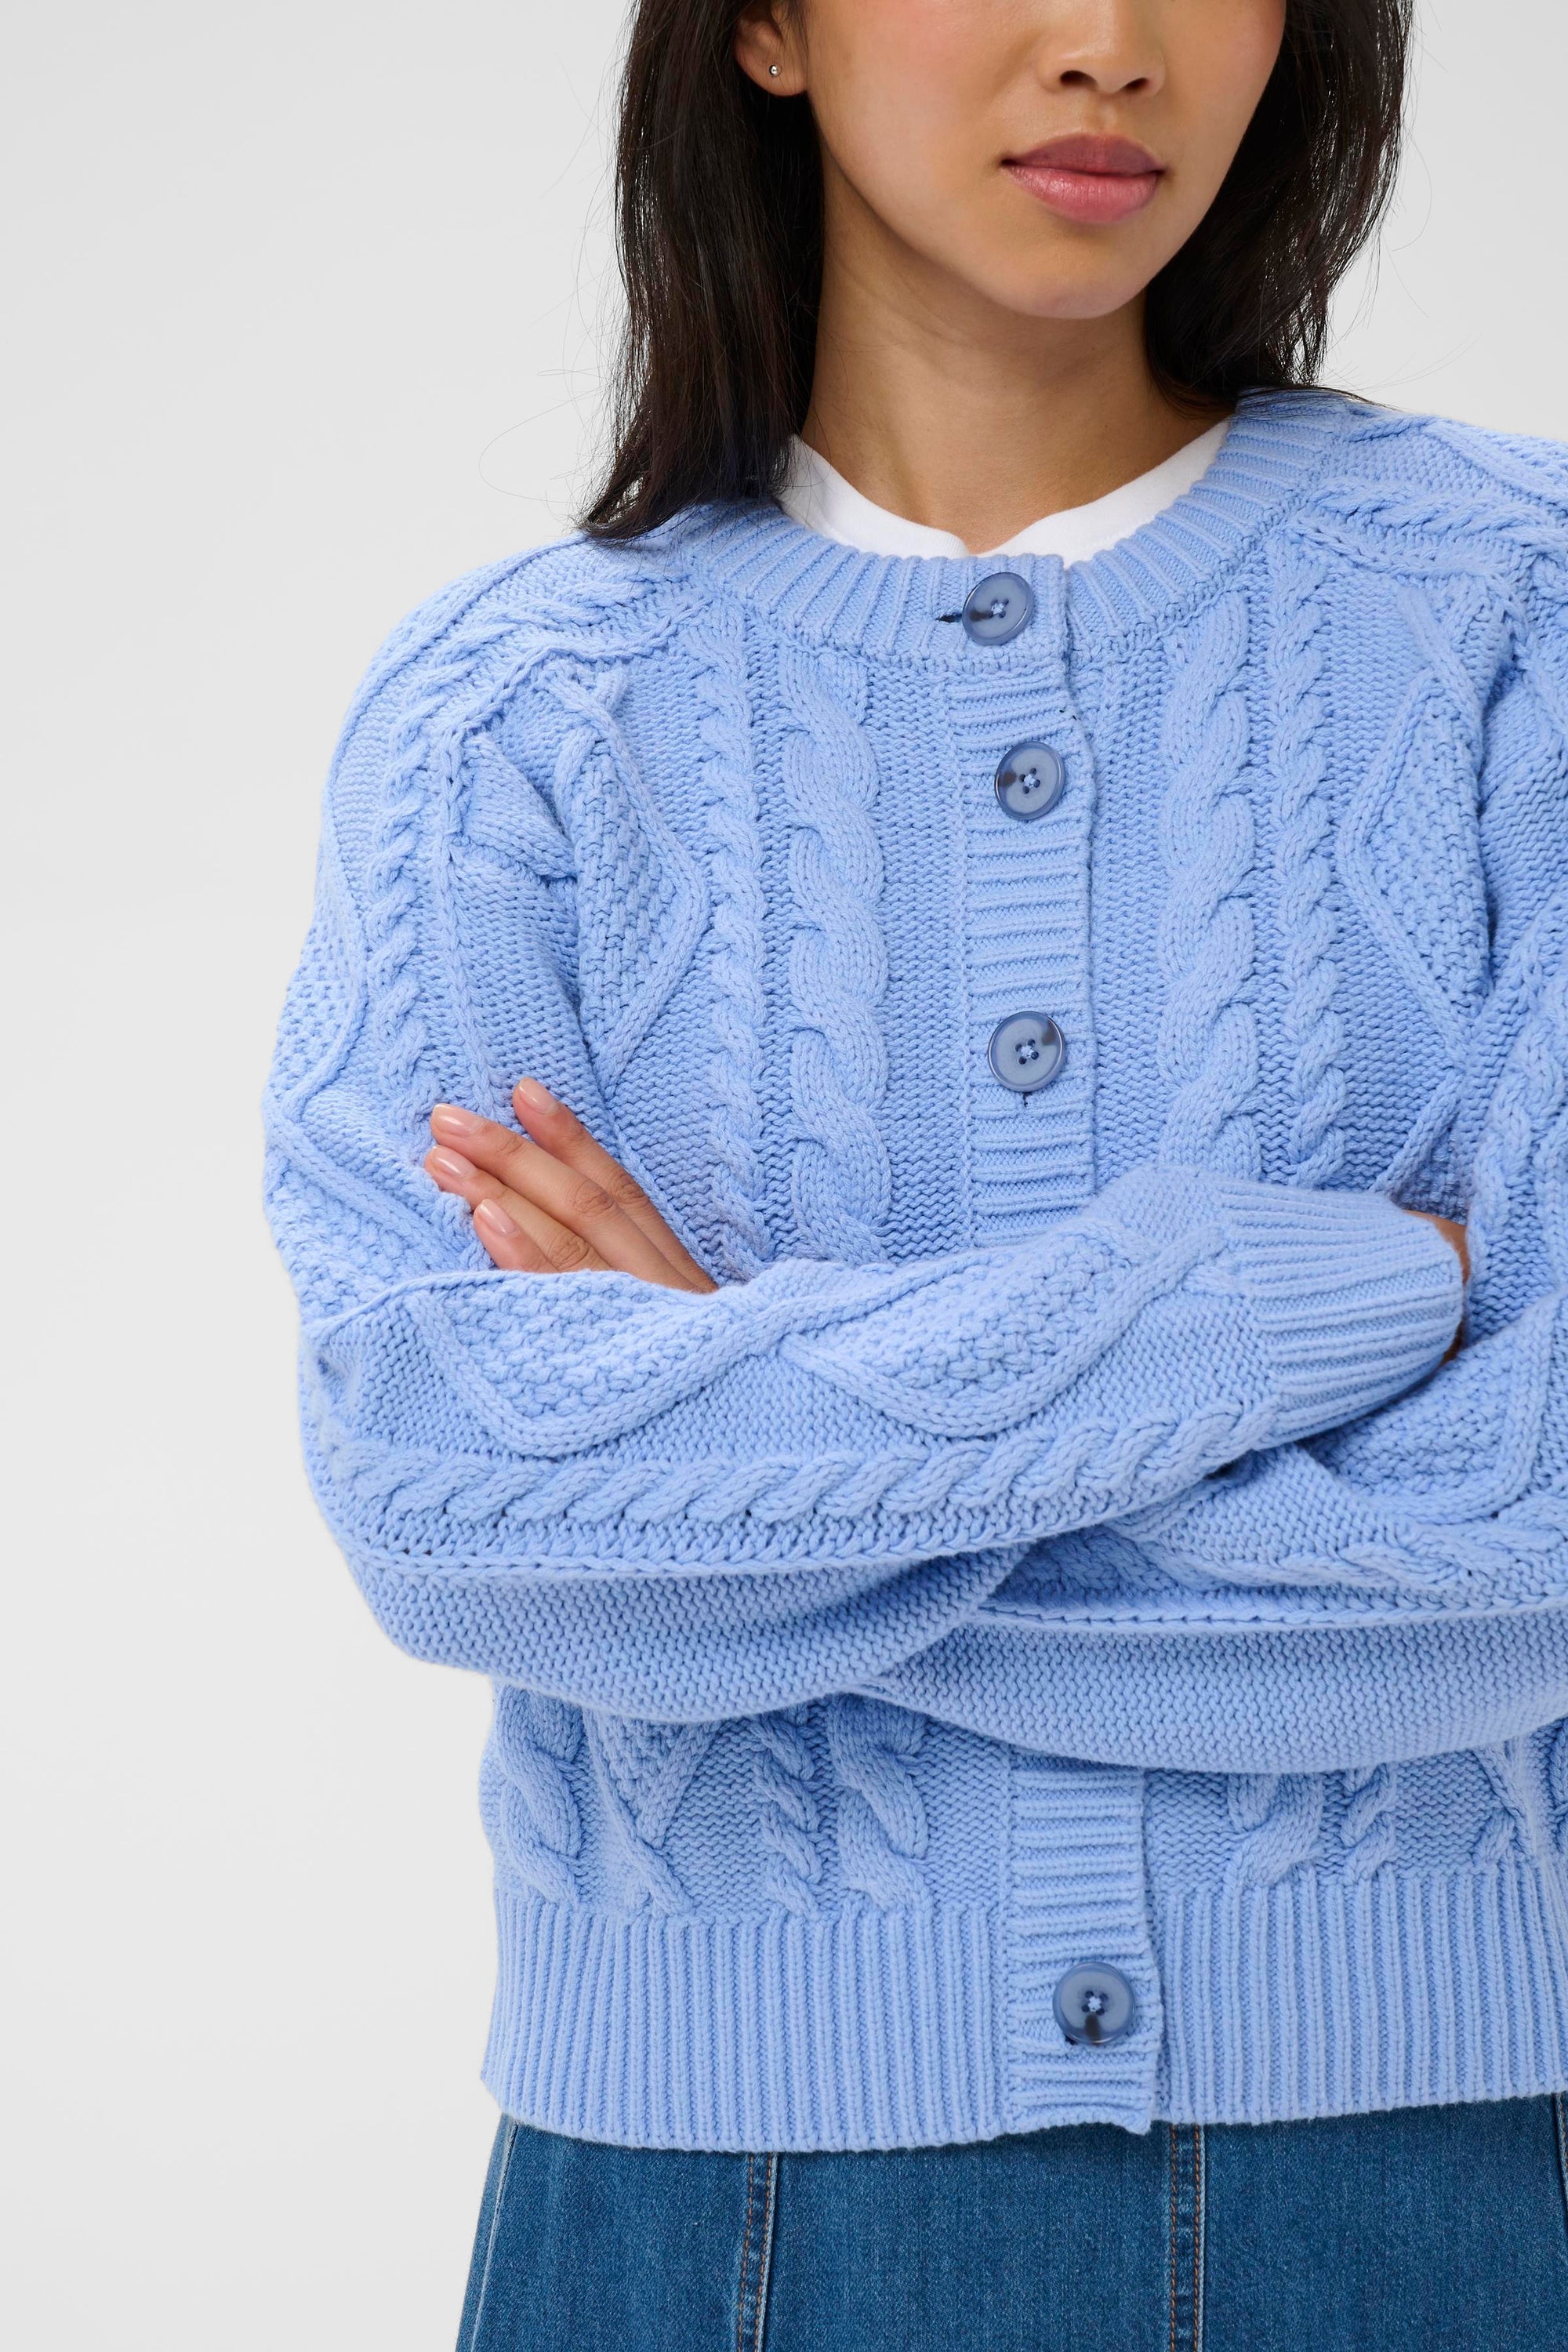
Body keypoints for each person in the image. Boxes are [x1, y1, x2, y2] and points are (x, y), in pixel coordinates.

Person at [263, 0, 1568, 2342]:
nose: (1112, 45)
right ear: (766, 25)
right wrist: (1335, 1293)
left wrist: (735, 1470)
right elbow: (447, 1499)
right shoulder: (507, 716)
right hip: (705, 2223)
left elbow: (1534, 1537)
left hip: (1427, 2197)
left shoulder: (1519, 620)